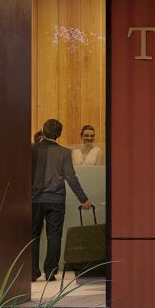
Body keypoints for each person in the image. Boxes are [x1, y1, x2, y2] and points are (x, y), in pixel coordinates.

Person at [31, 118, 90, 282]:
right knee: (54, 235)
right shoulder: (64, 152)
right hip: (56, 200)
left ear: (43, 131)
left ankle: (32, 272)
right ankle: (50, 272)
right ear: (59, 134)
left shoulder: (32, 150)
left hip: (35, 200)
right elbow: (71, 177)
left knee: (33, 236)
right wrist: (83, 199)